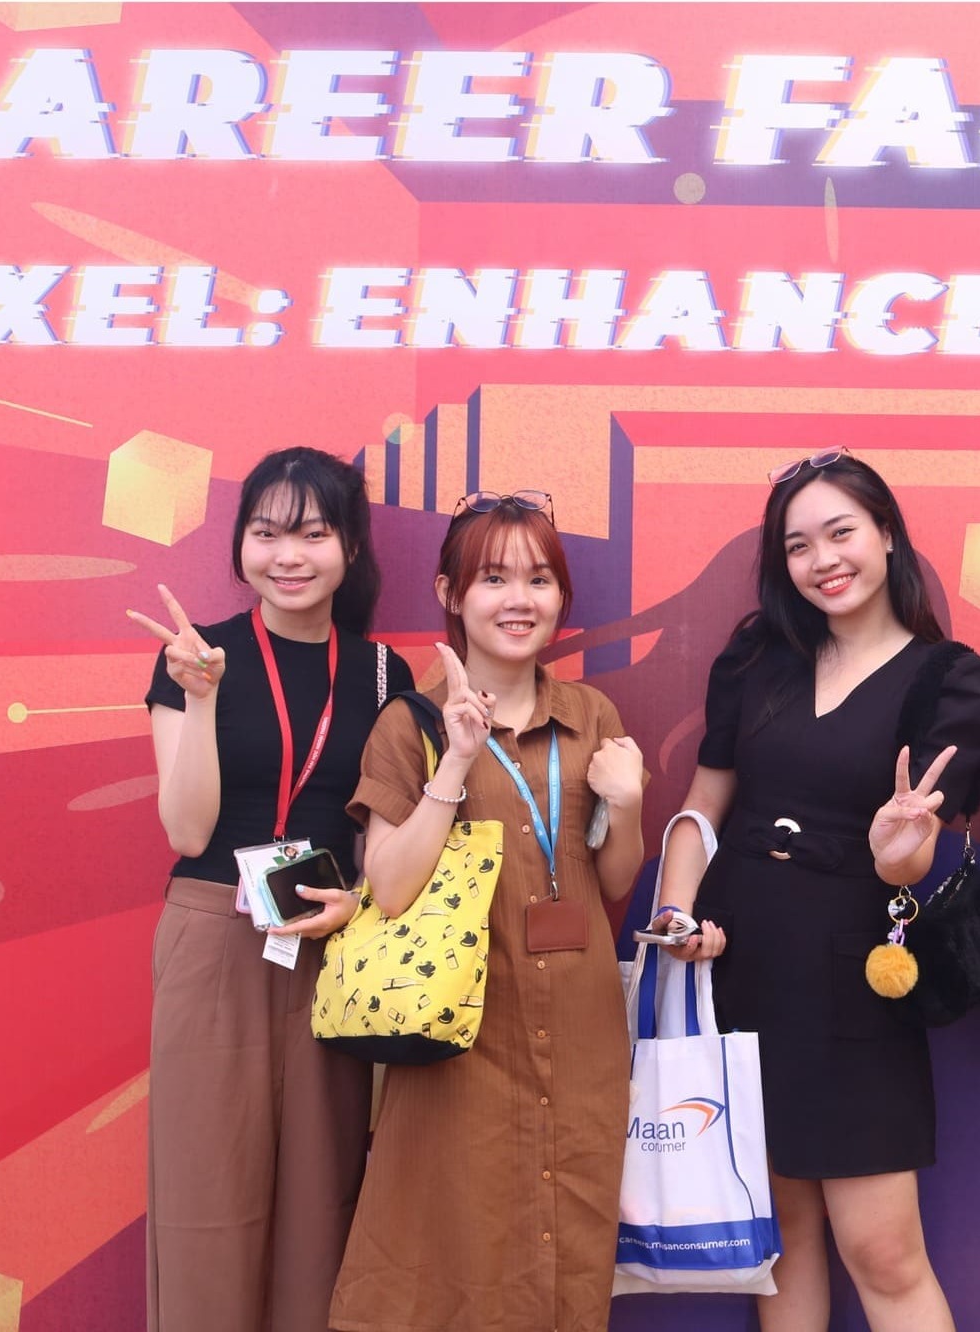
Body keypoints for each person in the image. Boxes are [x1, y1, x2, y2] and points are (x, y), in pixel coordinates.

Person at [651, 450, 980, 1332]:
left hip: (859, 980)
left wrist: (897, 853)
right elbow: (704, 803)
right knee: (783, 1246)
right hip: (746, 971)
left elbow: (913, 868)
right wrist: (676, 915)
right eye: (799, 545)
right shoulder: (757, 658)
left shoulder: (946, 679)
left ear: (887, 534)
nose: (824, 560)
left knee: (884, 1254)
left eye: (841, 532)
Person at [328, 489, 647, 1332]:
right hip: (460, 1027)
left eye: (539, 580)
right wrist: (454, 766)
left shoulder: (591, 717)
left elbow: (615, 879)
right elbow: (388, 887)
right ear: (449, 593)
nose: (519, 600)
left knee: (569, 1240)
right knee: (455, 1242)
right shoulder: (411, 724)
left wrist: (633, 805)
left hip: (580, 1027)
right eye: (494, 578)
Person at [135, 446, 415, 1332]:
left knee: (321, 1199)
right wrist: (206, 700)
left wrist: (362, 909)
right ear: (241, 544)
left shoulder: (382, 676)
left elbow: (378, 837)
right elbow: (185, 831)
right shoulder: (194, 656)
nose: (287, 556)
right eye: (266, 533)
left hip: (332, 945)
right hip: (215, 934)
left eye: (312, 533)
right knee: (204, 1195)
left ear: (352, 547)